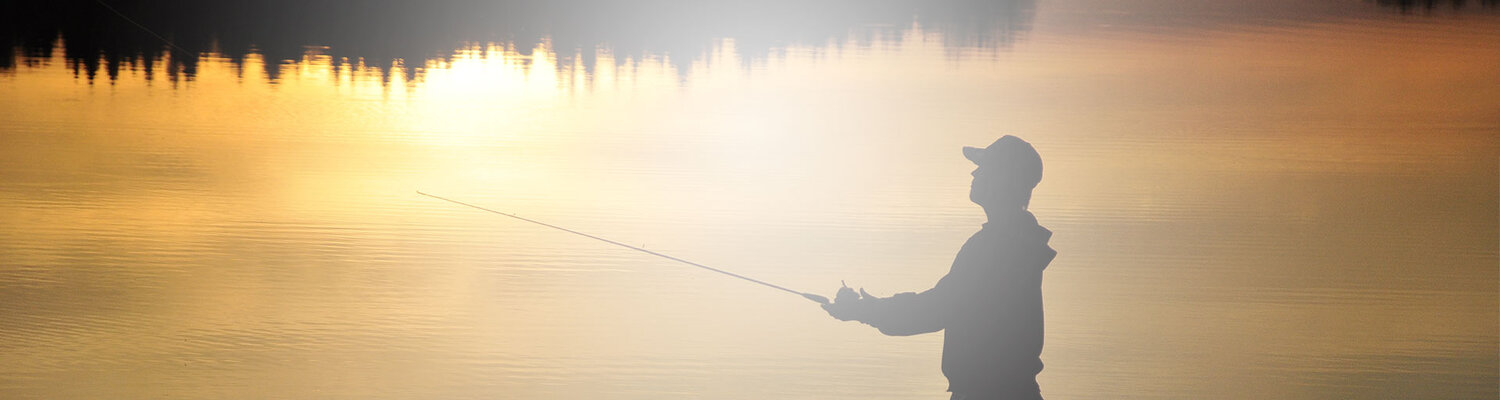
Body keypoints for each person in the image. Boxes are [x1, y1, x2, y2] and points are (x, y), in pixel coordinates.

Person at [822, 135, 1056, 400]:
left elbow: (937, 309)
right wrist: (869, 309)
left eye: (984, 167)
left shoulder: (994, 247)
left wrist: (864, 310)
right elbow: (944, 303)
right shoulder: (1015, 240)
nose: (974, 171)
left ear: (1002, 181)